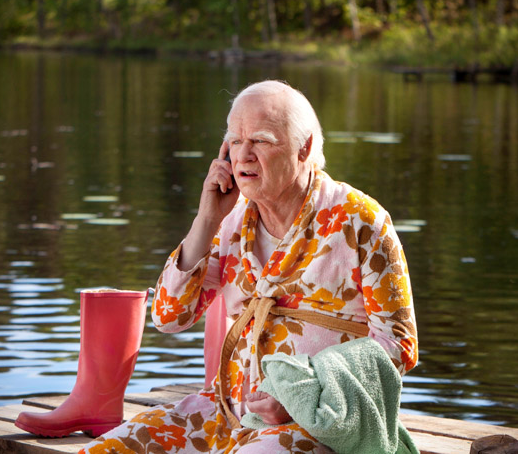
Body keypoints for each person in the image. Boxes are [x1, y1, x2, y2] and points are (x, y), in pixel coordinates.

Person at [81, 80, 418, 453]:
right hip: (226, 412)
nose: (243, 155)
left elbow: (399, 344)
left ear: (303, 147)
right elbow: (168, 317)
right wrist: (205, 221)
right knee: (110, 448)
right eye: (235, 141)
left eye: (260, 140)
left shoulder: (361, 221)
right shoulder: (230, 219)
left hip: (317, 422)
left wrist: (301, 394)